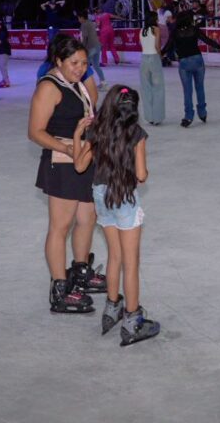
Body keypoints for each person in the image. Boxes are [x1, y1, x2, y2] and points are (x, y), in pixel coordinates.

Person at [72, 86, 159, 345]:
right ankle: (132, 320)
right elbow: (141, 175)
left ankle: (112, 307)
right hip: (124, 198)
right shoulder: (137, 134)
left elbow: (79, 166)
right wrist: (141, 170)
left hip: (101, 196)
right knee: (130, 263)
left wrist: (77, 135)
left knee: (114, 256)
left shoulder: (97, 131)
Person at [28, 35, 106, 315]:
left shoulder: (78, 82)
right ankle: (60, 289)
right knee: (60, 227)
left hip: (83, 157)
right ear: (58, 60)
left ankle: (81, 272)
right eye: (74, 63)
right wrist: (66, 148)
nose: (80, 68)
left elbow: (90, 108)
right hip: (62, 162)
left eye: (84, 63)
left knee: (87, 219)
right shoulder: (49, 87)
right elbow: (35, 132)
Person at [161, 10, 220, 128]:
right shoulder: (194, 29)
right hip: (197, 60)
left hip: (184, 63)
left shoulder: (175, 32)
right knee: (200, 87)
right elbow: (206, 40)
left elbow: (169, 46)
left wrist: (160, 53)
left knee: (187, 91)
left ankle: (188, 116)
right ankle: (202, 112)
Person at [138, 11, 165, 125]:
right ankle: (157, 117)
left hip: (144, 59)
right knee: (158, 88)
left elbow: (142, 45)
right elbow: (157, 46)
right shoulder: (156, 29)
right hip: (154, 58)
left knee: (146, 89)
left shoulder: (141, 30)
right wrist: (161, 56)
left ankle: (149, 117)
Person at [79, 11, 105, 89]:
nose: (78, 20)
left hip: (91, 47)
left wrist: (82, 47)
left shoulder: (84, 24)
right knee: (96, 65)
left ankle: (86, 83)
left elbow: (85, 37)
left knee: (85, 65)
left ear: (82, 18)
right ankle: (103, 82)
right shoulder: (91, 23)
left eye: (79, 18)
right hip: (97, 46)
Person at [0, 19, 12, 87]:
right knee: (2, 66)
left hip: (4, 51)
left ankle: (6, 81)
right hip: (2, 50)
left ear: (1, 26)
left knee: (2, 66)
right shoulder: (0, 32)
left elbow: (0, 41)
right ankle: (5, 79)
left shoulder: (3, 32)